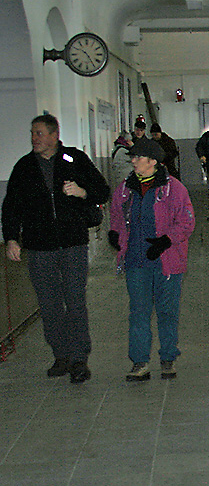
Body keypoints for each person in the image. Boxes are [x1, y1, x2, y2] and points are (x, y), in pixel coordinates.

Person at [1, 114, 110, 383]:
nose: (34, 139)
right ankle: (60, 355)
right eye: (32, 134)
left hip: (73, 244)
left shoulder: (73, 160)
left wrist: (82, 192)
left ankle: (79, 359)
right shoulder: (24, 167)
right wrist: (12, 238)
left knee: (75, 302)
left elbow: (102, 191)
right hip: (40, 247)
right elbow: (11, 206)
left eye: (38, 133)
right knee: (49, 304)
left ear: (53, 135)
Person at [107, 136, 195, 381]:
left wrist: (166, 241)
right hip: (136, 260)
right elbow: (116, 214)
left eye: (138, 157)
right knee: (139, 312)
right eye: (132, 157)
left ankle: (168, 357)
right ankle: (139, 362)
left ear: (153, 161)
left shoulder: (174, 189)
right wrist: (115, 233)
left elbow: (186, 222)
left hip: (166, 261)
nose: (133, 161)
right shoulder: (126, 189)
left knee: (167, 311)